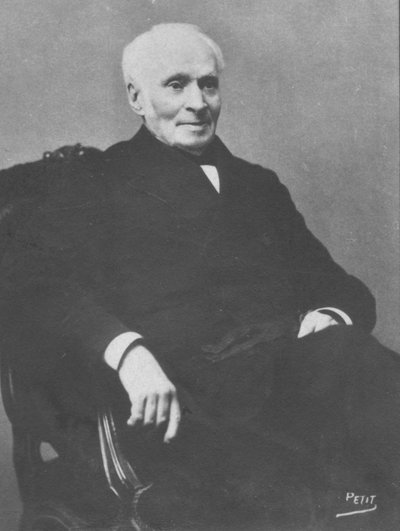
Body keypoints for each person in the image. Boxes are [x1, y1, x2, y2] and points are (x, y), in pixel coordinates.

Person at [1, 23, 399, 530]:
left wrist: (328, 314)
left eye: (208, 84)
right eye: (176, 85)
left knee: (352, 359)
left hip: (288, 382)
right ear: (136, 98)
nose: (198, 102)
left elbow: (341, 287)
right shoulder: (93, 182)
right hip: (180, 401)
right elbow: (36, 287)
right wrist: (127, 353)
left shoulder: (257, 186)